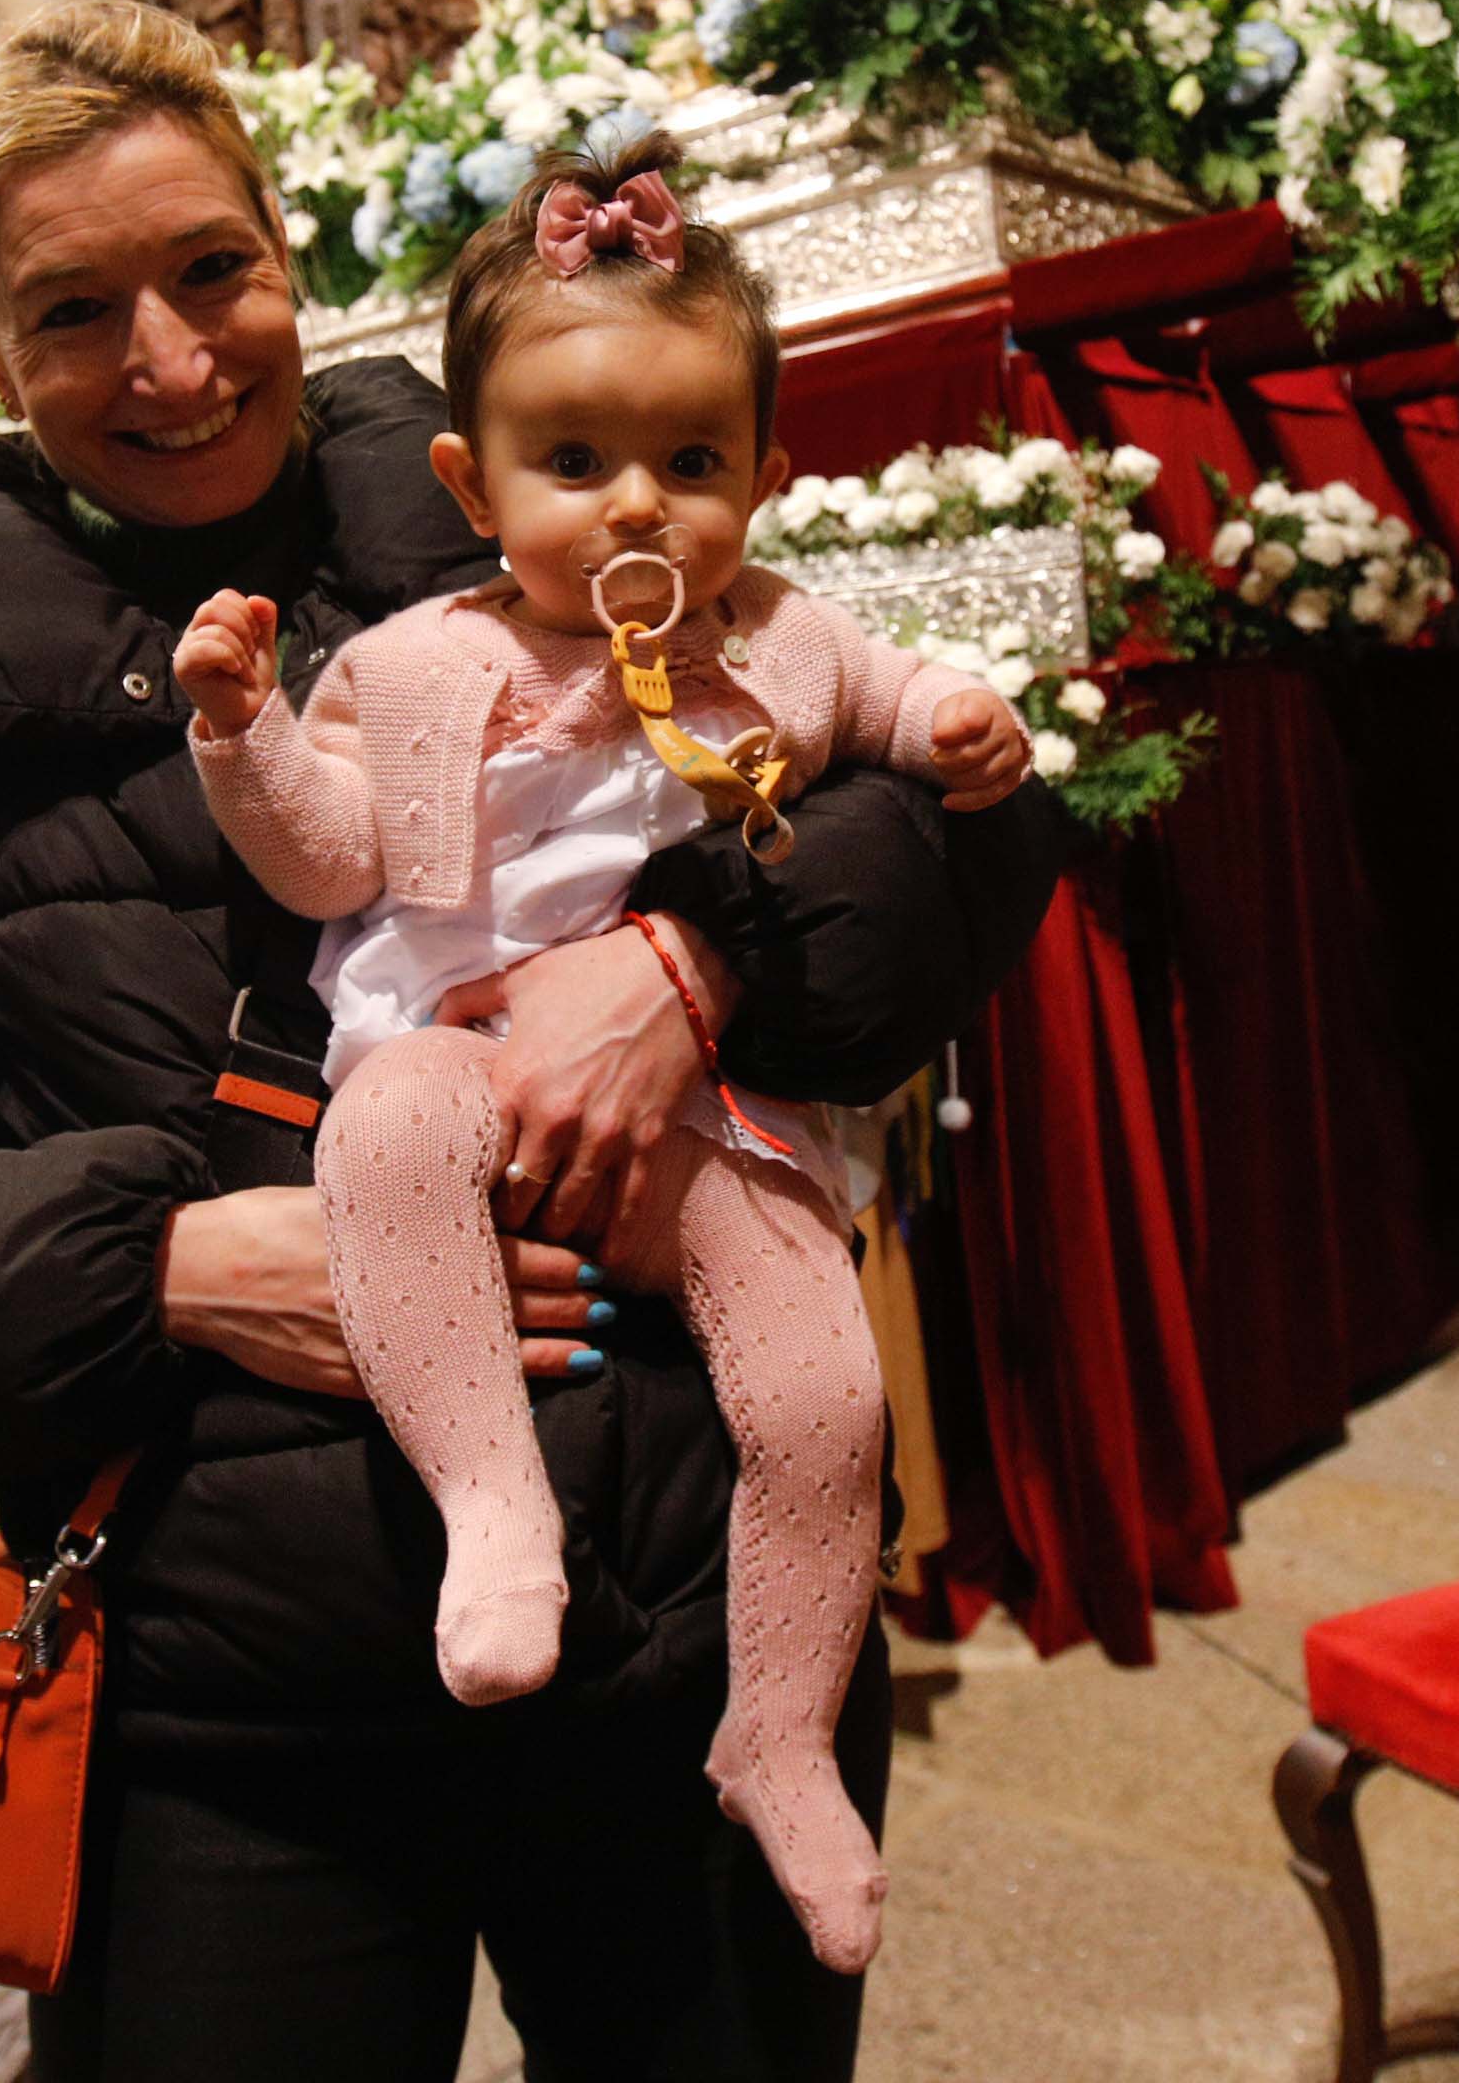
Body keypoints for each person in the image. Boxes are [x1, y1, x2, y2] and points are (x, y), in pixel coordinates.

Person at [0, 0, 1063, 2083]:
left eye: (213, 270)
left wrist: (697, 963)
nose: (173, 357)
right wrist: (157, 1263)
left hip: (679, 1612)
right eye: (72, 310)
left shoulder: (564, 474)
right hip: (231, 1710)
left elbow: (960, 834)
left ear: (287, 246)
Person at [179, 146, 1026, 1974]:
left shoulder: (777, 635)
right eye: (574, 466)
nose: (636, 505)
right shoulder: (411, 665)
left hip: (709, 1117)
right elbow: (327, 856)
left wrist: (962, 718)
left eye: (690, 463)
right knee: (382, 1127)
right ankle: (491, 1506)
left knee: (820, 1396)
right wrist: (242, 736)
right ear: (472, 484)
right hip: (466, 1064)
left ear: (762, 475)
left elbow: (893, 717)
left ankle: (781, 1733)